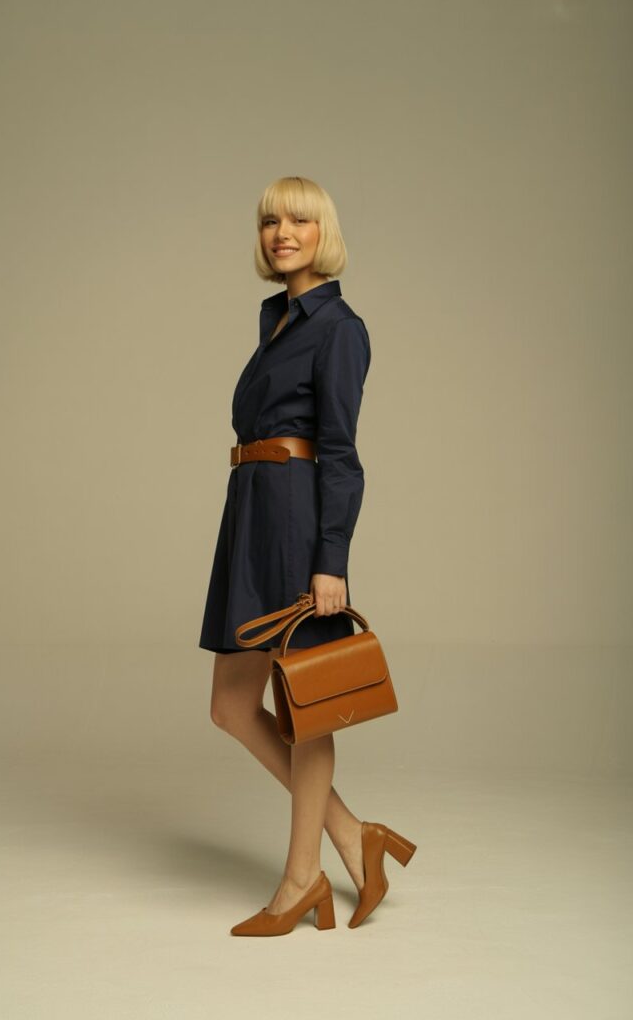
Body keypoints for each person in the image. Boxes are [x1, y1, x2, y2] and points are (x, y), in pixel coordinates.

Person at [198, 176, 416, 936]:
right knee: (231, 706)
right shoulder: (279, 319)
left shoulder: (338, 327)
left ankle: (301, 880)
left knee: (303, 705)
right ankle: (356, 839)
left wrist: (331, 560)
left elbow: (342, 454)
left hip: (295, 519)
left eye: (297, 219)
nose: (280, 232)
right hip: (253, 511)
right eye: (269, 220)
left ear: (324, 231)